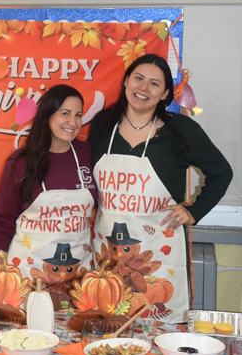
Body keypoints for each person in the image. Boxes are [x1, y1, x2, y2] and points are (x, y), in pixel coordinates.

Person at [88, 53, 233, 322]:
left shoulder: (181, 130)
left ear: (165, 93)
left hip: (158, 255)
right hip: (106, 252)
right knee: (106, 326)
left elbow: (222, 173)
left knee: (157, 335)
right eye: (138, 79)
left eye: (154, 84)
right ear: (126, 82)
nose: (143, 88)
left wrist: (194, 211)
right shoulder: (103, 125)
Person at [0, 84, 97, 309]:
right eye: (65, 113)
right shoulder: (20, 162)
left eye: (78, 115)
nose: (73, 122)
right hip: (28, 275)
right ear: (47, 114)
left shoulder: (88, 154)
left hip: (77, 278)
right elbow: (2, 220)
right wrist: (1, 277)